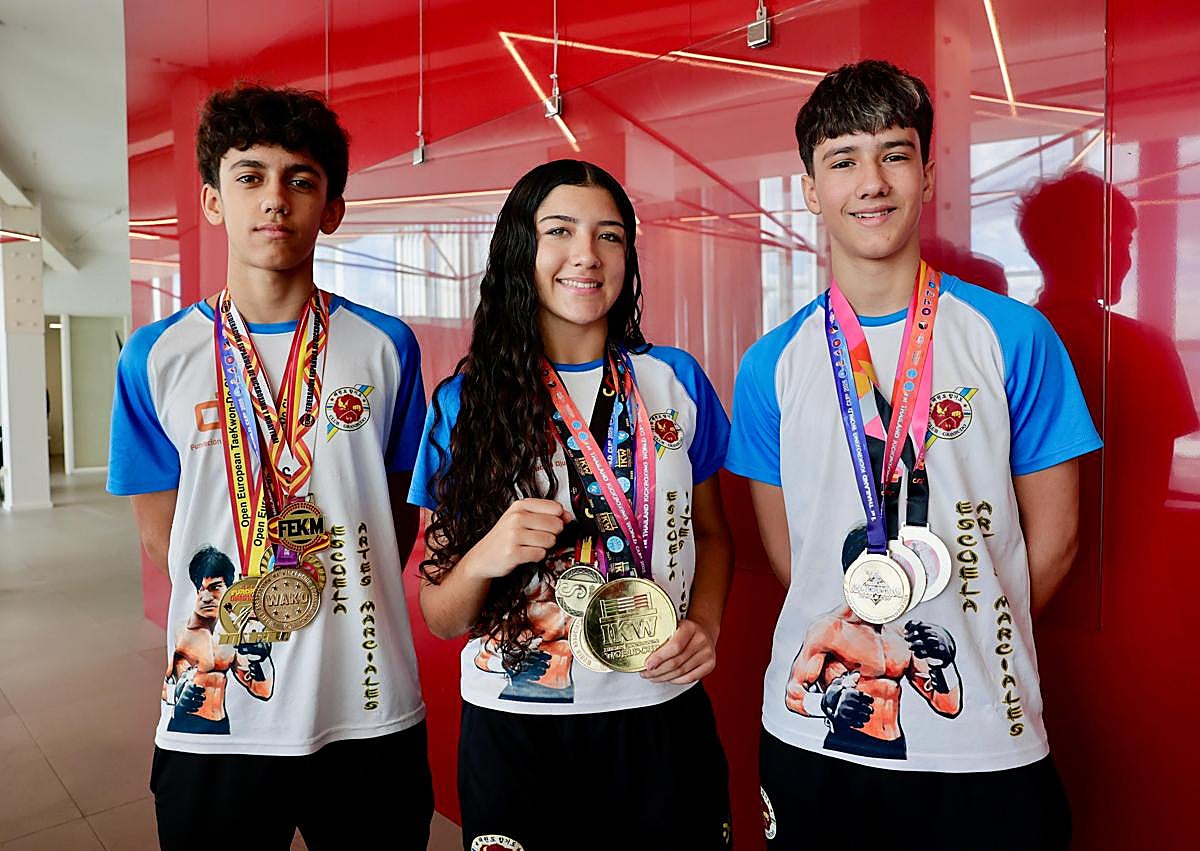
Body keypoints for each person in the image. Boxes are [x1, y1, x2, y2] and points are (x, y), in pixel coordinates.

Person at [726, 60, 1101, 850]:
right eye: (843, 160)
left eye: (895, 153)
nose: (872, 181)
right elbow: (791, 555)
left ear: (928, 174)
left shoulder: (1013, 338)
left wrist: (966, 624)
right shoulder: (771, 363)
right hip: (815, 748)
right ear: (809, 187)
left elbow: (1057, 540)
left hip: (987, 741)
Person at [108, 84, 433, 850]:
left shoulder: (386, 347)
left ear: (333, 208)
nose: (274, 200)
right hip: (212, 707)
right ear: (213, 201)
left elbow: (394, 517)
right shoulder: (155, 356)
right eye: (249, 176)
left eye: (301, 179)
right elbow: (165, 539)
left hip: (365, 698)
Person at [409, 159, 735, 851]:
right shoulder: (460, 405)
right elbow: (441, 615)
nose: (587, 254)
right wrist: (488, 553)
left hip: (658, 709)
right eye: (559, 230)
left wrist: (704, 621)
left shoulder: (674, 381)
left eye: (610, 235)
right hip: (516, 723)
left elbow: (713, 533)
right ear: (520, 251)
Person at [163, 546, 274, 734]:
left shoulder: (234, 635)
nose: (206, 597)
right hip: (184, 724)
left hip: (220, 725)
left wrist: (261, 660)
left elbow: (262, 691)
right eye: (201, 589)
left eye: (215, 588)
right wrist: (178, 699)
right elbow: (167, 688)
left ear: (229, 590)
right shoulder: (184, 631)